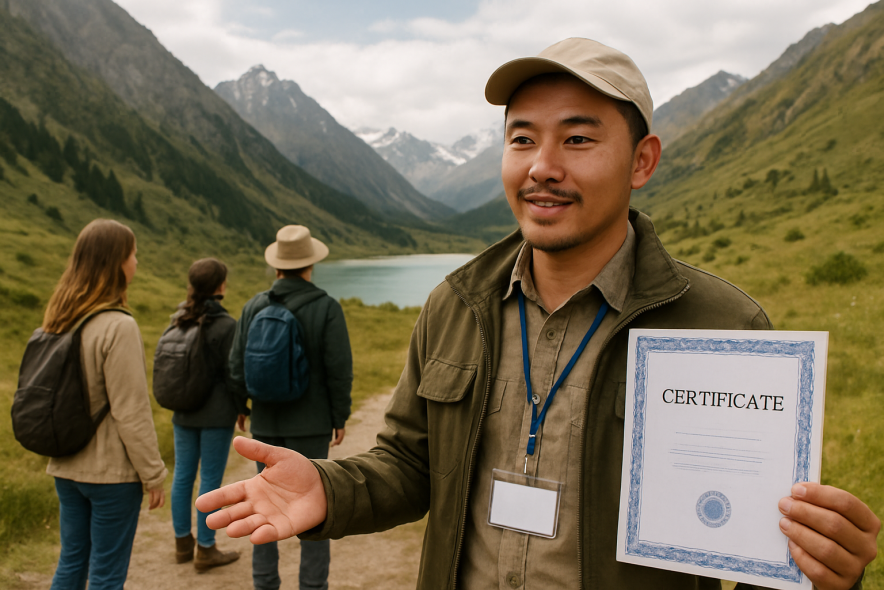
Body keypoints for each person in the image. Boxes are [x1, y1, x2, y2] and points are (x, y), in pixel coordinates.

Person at [197, 39, 881, 589]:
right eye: (522, 140)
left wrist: (822, 571)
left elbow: (754, 542)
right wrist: (326, 486)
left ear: (642, 161)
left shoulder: (724, 327)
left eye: (578, 140)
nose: (542, 167)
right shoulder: (455, 303)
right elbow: (410, 463)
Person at [226, 224, 353, 590]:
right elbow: (338, 370)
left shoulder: (253, 306)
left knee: (263, 507)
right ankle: (313, 586)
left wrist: (242, 406)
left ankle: (264, 583)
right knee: (314, 511)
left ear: (277, 265)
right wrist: (338, 416)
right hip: (312, 427)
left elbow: (236, 365)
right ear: (310, 264)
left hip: (266, 425)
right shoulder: (327, 307)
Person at [43, 219, 167, 589]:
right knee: (107, 576)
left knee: (71, 563)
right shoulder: (118, 325)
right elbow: (130, 411)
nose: (136, 262)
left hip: (65, 466)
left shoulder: (59, 318)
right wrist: (153, 474)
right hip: (111, 474)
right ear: (115, 263)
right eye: (132, 254)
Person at [167, 258, 244, 571]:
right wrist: (242, 407)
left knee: (183, 476)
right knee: (210, 480)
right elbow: (234, 374)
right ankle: (206, 549)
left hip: (183, 410)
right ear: (220, 287)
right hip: (216, 415)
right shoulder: (227, 325)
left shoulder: (177, 319)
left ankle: (182, 544)